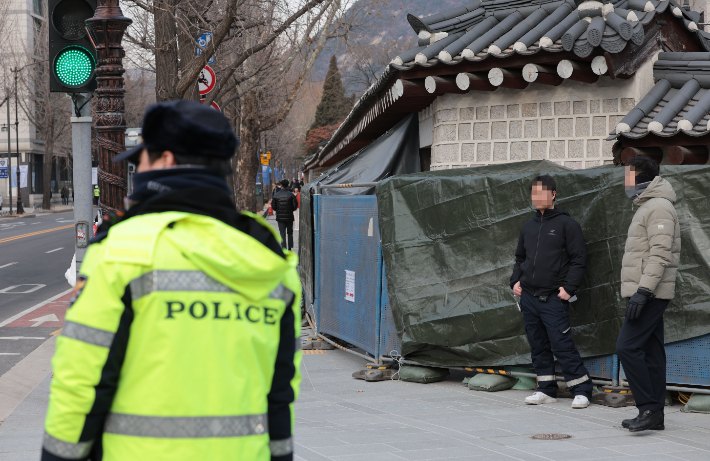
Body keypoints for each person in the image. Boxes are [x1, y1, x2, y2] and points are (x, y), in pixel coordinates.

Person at [42, 100, 302, 461]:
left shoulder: (124, 248)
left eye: (140, 161)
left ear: (164, 161)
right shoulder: (269, 256)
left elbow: (81, 379)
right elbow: (280, 393)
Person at [510, 175, 591, 409]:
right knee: (538, 345)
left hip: (554, 299)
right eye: (533, 193)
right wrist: (515, 281)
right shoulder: (528, 226)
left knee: (562, 344)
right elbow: (520, 258)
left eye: (542, 193)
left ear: (553, 194)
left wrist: (569, 289)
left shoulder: (568, 225)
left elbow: (579, 259)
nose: (537, 198)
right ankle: (546, 389)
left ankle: (582, 390)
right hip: (529, 298)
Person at [616, 156, 680, 432]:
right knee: (652, 352)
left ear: (642, 178)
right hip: (647, 289)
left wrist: (643, 291)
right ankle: (655, 414)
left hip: (650, 291)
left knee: (627, 347)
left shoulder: (658, 207)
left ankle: (647, 408)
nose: (626, 182)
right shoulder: (648, 206)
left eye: (629, 176)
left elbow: (660, 253)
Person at [271, 179, 298, 251]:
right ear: (288, 185)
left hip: (280, 217)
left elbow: (273, 207)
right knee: (290, 232)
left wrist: (279, 210)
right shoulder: (291, 195)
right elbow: (295, 206)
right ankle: (290, 247)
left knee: (282, 233)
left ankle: (283, 248)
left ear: (281, 185)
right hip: (289, 217)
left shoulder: (276, 195)